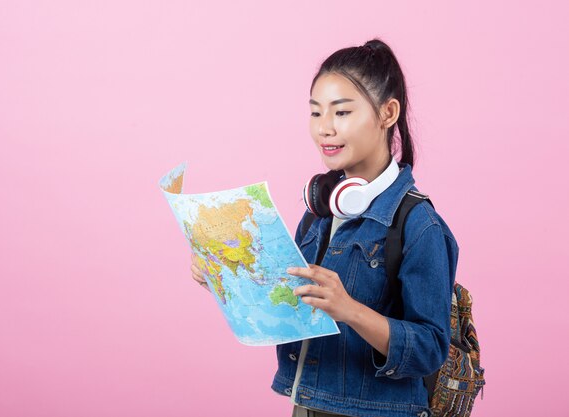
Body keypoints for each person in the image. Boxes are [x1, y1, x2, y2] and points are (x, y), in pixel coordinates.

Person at [190, 38, 458, 417]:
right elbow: (292, 307)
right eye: (316, 113)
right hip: (309, 404)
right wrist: (229, 276)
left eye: (342, 112)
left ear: (387, 113)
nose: (324, 129)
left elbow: (430, 349)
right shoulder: (320, 213)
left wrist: (349, 310)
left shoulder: (419, 226)